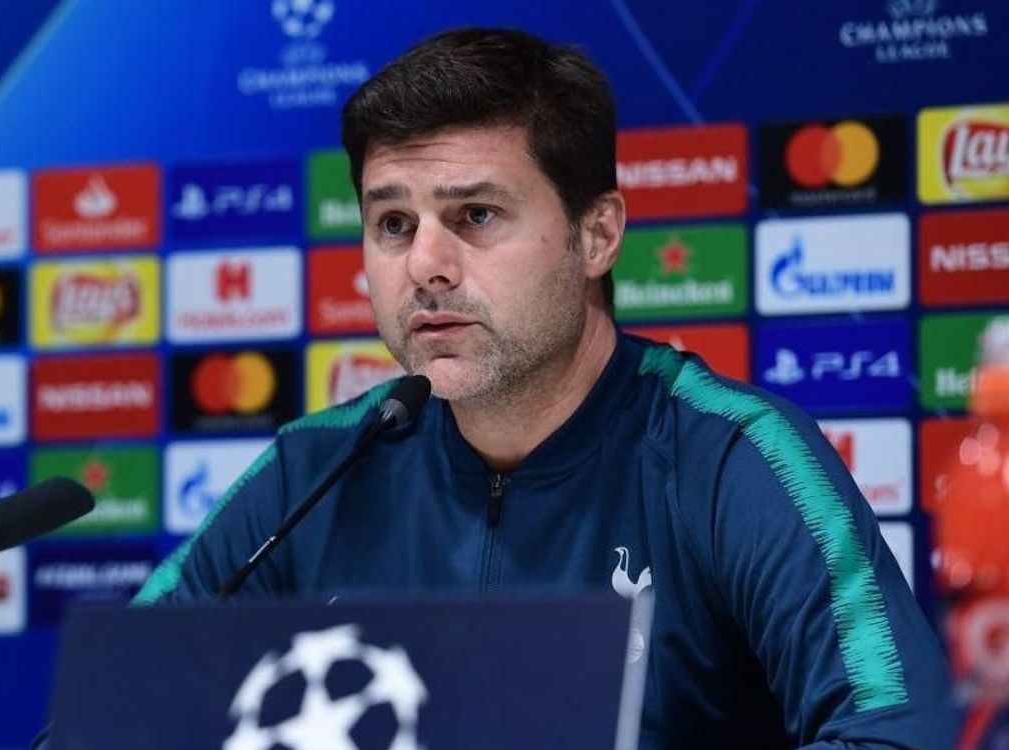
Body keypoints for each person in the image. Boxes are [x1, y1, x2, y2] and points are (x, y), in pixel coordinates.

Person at [134, 28, 952, 747]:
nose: (425, 264)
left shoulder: (731, 459)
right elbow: (104, 719)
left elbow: (894, 735)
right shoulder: (312, 472)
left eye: (477, 216)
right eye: (394, 225)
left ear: (597, 236)